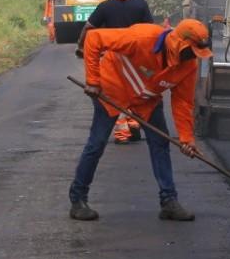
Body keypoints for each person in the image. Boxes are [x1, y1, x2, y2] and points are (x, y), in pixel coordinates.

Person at [69, 19, 213, 222]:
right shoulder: (142, 38)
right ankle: (78, 200)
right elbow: (94, 38)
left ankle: (169, 202)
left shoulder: (188, 66)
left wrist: (187, 139)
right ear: (177, 43)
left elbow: (182, 102)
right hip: (112, 89)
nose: (192, 57)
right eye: (190, 51)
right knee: (97, 143)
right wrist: (92, 81)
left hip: (145, 98)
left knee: (160, 143)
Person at [74, 0, 153, 143]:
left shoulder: (105, 6)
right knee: (134, 91)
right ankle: (134, 124)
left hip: (113, 58)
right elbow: (151, 30)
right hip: (136, 58)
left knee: (116, 95)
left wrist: (80, 46)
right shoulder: (141, 5)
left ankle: (122, 133)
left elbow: (88, 28)